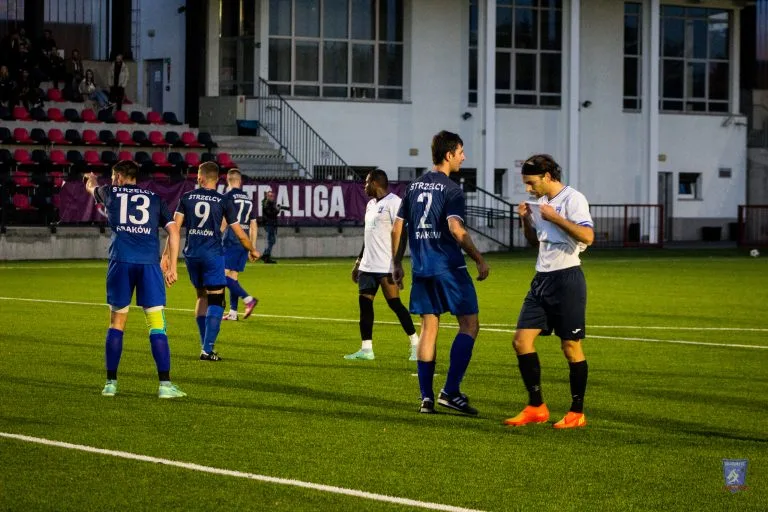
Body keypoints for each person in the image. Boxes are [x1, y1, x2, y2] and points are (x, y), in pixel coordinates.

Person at [392, 130, 489, 415]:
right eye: (461, 152)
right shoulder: (451, 190)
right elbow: (456, 229)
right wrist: (479, 259)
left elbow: (399, 227)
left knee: (428, 328)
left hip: (421, 268)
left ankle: (426, 398)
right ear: (449, 155)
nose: (463, 156)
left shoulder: (412, 187)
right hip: (449, 267)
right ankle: (450, 391)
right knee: (470, 325)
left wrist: (396, 263)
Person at [504, 154, 594, 429]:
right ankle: (536, 406)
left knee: (570, 346)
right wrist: (524, 221)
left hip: (567, 279)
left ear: (547, 176)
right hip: (541, 279)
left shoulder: (573, 199)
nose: (529, 190)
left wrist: (555, 218)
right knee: (521, 342)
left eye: (531, 183)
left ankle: (576, 412)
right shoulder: (541, 203)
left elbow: (588, 237)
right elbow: (535, 242)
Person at [83, 160, 186, 398]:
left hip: (121, 262)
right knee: (157, 325)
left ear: (118, 176)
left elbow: (91, 188)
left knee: (116, 324)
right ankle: (165, 386)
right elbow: (173, 231)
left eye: (113, 176)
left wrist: (92, 181)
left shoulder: (109, 192)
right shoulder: (155, 198)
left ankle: (110, 384)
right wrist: (172, 265)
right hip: (149, 265)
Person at [169, 162, 260, 361]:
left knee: (201, 297)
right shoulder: (222, 200)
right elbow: (240, 233)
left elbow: (173, 229)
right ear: (218, 179)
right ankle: (207, 349)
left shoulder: (186, 198)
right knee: (217, 299)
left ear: (199, 178)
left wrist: (167, 258)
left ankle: (204, 345)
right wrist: (252, 249)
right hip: (213, 254)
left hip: (191, 255)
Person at [345, 169, 420, 361]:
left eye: (367, 182)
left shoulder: (394, 203)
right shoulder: (371, 204)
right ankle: (366, 349)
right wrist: (358, 262)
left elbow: (402, 234)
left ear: (376, 183)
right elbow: (368, 235)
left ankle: (416, 344)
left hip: (385, 266)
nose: (364, 186)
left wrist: (397, 263)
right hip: (368, 266)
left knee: (395, 305)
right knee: (365, 305)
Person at [221, 169, 260, 321]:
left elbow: (224, 222)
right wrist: (252, 247)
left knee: (221, 276)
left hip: (231, 239)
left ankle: (248, 299)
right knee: (233, 277)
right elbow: (254, 225)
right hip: (244, 243)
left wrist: (215, 238)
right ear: (240, 181)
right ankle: (233, 312)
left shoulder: (227, 197)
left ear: (227, 181)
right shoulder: (248, 199)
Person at [260, 189, 284, 263]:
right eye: (270, 196)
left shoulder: (269, 203)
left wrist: (276, 209)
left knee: (271, 241)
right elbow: (271, 214)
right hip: (269, 223)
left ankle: (266, 256)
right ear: (267, 196)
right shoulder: (267, 203)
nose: (272, 197)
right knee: (271, 241)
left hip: (270, 223)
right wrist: (277, 210)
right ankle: (265, 255)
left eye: (272, 196)